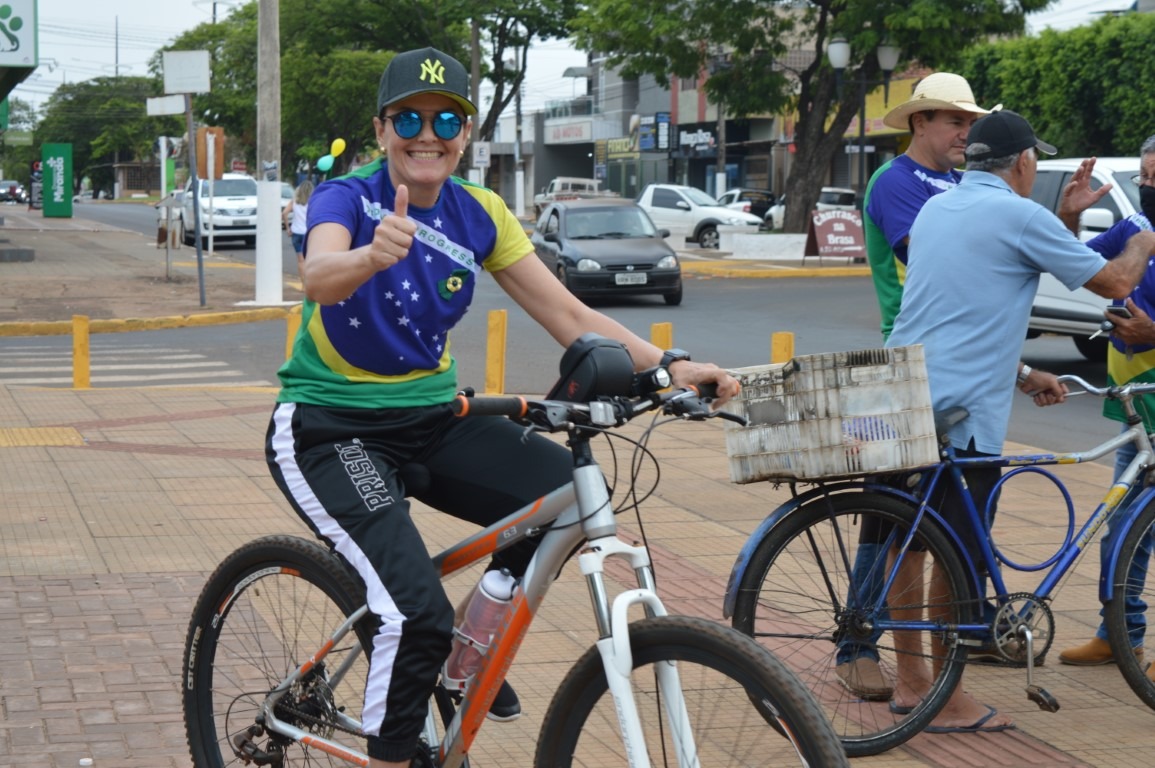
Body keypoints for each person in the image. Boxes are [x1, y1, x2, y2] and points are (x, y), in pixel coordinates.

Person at [264, 46, 740, 768]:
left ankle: (463, 652)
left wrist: (670, 366)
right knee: (412, 613)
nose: (428, 134)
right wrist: (369, 256)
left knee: (568, 498)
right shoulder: (347, 199)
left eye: (446, 119)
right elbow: (319, 276)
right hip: (332, 431)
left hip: (434, 420)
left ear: (466, 132)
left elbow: (567, 312)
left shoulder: (479, 213)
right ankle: (406, 718)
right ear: (381, 129)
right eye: (409, 119)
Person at [886, 109, 1155, 733]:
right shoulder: (1017, 214)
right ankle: (944, 698)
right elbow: (1116, 279)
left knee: (906, 543)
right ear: (1024, 163)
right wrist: (1143, 234)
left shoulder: (939, 208)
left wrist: (1025, 372)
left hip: (903, 392)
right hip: (961, 413)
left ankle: (910, 682)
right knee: (954, 553)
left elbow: (970, 300)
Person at [837, 72, 994, 702]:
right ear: (918, 122)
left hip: (960, 359)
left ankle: (957, 632)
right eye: (954, 121)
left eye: (970, 123)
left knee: (957, 507)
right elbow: (930, 257)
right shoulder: (894, 180)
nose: (965, 134)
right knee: (890, 511)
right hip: (906, 361)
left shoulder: (958, 183)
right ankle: (857, 642)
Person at [1058, 135, 1155, 680]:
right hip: (1137, 406)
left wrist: (1153, 333)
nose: (1150, 187)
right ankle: (1119, 635)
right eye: (1145, 176)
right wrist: (1069, 217)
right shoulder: (1135, 229)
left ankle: (1122, 634)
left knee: (1135, 527)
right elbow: (1073, 265)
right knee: (1123, 528)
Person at [282, 178, 314, 267]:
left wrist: (288, 228)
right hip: (308, 233)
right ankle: (309, 276)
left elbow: (284, 213)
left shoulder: (294, 201)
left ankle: (302, 276)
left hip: (296, 232)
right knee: (309, 259)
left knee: (300, 260)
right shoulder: (312, 202)